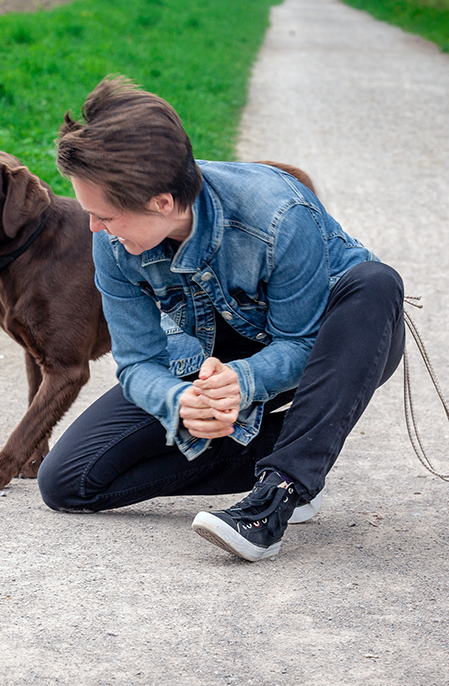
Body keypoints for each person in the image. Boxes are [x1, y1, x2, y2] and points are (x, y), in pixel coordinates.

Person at [36, 76, 405, 562]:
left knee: (377, 281)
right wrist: (181, 398)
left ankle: (276, 497)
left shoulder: (277, 212)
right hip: (207, 355)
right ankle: (301, 451)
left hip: (336, 344)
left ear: (161, 202)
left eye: (104, 215)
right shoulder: (111, 243)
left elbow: (300, 340)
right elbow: (135, 363)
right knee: (68, 482)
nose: (93, 227)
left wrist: (243, 380)